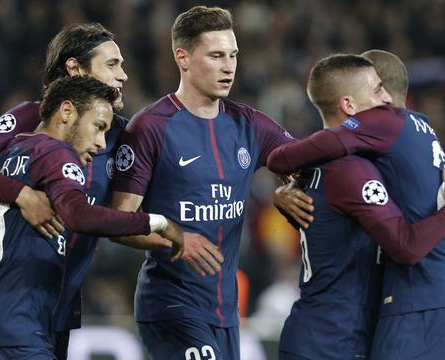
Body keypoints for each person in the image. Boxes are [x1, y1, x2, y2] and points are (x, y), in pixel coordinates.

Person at [0, 23, 223, 359]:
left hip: (48, 309)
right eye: (112, 64)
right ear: (75, 67)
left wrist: (177, 235)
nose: (123, 76)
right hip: (20, 311)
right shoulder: (33, 122)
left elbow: (117, 220)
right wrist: (22, 196)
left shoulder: (124, 136)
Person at [110, 6, 312, 360]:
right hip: (171, 305)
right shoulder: (151, 128)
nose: (228, 66)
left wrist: (288, 189)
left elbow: (306, 168)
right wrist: (177, 238)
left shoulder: (250, 124)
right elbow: (118, 221)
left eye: (233, 55)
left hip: (225, 311)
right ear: (182, 58)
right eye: (216, 55)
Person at [0, 76, 192, 359]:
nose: (100, 143)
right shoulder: (56, 152)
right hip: (20, 330)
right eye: (97, 127)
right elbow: (78, 214)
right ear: (67, 112)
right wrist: (159, 223)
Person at [268, 51, 445, 358]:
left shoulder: (345, 165)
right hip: (330, 342)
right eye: (377, 90)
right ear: (349, 104)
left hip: (344, 336)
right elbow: (404, 245)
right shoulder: (351, 168)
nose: (386, 101)